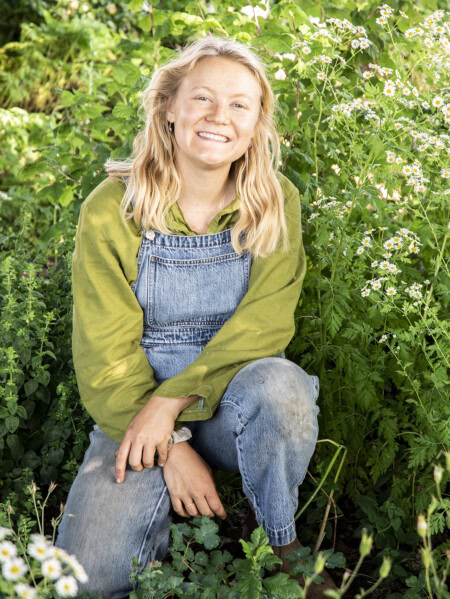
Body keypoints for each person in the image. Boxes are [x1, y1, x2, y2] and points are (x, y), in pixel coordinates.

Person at [55, 34, 332, 598]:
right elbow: (104, 353)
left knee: (282, 388)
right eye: (202, 98)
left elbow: (264, 327)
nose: (218, 117)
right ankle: (161, 516)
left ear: (256, 123)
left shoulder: (274, 202)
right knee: (86, 579)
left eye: (239, 105)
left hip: (238, 402)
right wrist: (170, 440)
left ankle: (281, 545)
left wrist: (172, 402)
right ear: (169, 108)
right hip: (135, 405)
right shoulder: (113, 209)